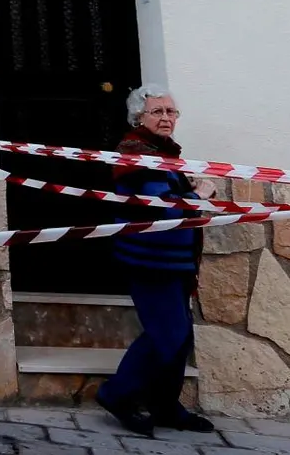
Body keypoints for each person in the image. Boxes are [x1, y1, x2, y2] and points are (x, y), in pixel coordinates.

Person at [95, 84, 216, 437]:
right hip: (150, 259)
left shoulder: (161, 152)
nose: (166, 118)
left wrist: (186, 187)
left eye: (171, 112)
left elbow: (169, 194)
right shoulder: (137, 154)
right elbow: (160, 205)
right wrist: (198, 193)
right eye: (157, 112)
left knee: (181, 337)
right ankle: (116, 394)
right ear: (139, 117)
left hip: (174, 260)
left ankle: (166, 406)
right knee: (168, 332)